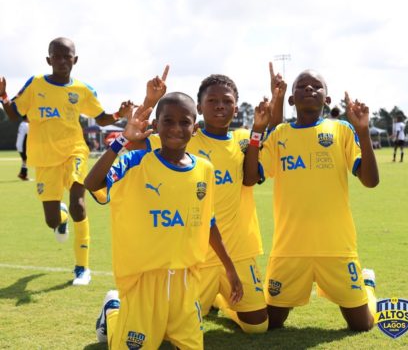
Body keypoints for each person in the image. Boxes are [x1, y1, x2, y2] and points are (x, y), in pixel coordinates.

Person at [85, 93, 243, 349]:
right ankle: (113, 310)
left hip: (186, 283)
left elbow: (209, 222)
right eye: (168, 121)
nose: (176, 128)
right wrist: (122, 140)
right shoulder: (136, 162)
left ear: (195, 128)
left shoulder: (204, 169)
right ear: (155, 125)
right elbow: (92, 183)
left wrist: (230, 268)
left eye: (184, 122)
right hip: (143, 282)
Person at [140, 65, 285, 334]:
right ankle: (115, 307)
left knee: (258, 327)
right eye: (212, 101)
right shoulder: (183, 138)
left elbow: (271, 143)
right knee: (173, 330)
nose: (220, 106)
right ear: (199, 107)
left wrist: (274, 104)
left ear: (236, 107)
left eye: (227, 101)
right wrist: (150, 101)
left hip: (238, 253)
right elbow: (140, 137)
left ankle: (223, 301)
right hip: (195, 257)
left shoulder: (244, 140)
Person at [244, 69, 379, 332]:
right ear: (291, 99)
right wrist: (257, 131)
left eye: (316, 86)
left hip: (336, 246)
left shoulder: (341, 130)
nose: (309, 89)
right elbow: (250, 178)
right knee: (270, 323)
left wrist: (363, 132)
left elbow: (370, 180)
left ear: (327, 99)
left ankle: (368, 286)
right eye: (302, 86)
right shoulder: (280, 134)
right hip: (289, 249)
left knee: (361, 324)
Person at [0, 37, 132, 285]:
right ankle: (60, 220)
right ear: (48, 60)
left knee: (78, 205)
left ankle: (82, 268)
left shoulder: (82, 90)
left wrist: (119, 114)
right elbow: (14, 114)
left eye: (67, 56)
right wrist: (3, 95)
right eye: (57, 56)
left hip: (74, 152)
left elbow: (101, 118)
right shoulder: (36, 84)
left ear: (75, 60)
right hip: (44, 159)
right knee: (51, 220)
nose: (62, 61)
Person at [16, 116, 29, 180]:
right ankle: (23, 174)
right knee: (26, 160)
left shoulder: (22, 124)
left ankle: (23, 174)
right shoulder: (26, 125)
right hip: (23, 145)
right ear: (27, 118)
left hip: (19, 144)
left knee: (25, 160)